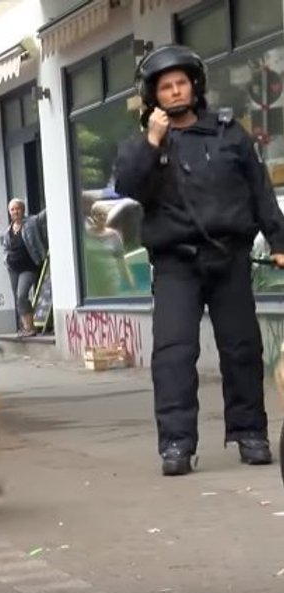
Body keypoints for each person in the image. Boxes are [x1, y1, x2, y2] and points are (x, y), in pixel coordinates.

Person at [114, 44, 284, 476]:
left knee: (242, 349)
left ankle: (250, 433)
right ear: (154, 96)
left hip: (229, 257)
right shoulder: (145, 144)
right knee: (174, 353)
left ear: (195, 85)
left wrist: (279, 241)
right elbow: (129, 185)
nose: (174, 92)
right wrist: (152, 141)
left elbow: (261, 191)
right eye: (165, 87)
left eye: (180, 83)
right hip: (176, 264)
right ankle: (176, 443)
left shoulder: (229, 134)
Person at [0, 199, 48, 337]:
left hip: (29, 267)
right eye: (12, 209)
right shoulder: (8, 231)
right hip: (13, 268)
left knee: (22, 295)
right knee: (18, 298)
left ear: (23, 209)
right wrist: (6, 260)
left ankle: (30, 327)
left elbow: (44, 216)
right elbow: (6, 248)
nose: (15, 211)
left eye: (18, 208)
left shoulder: (32, 222)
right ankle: (27, 327)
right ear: (9, 212)